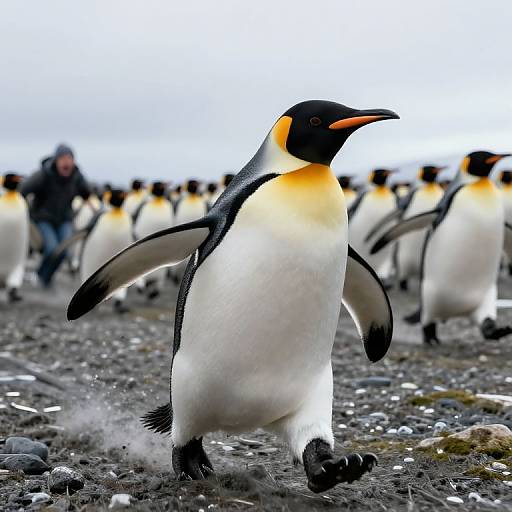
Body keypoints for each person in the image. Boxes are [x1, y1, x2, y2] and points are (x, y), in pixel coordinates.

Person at [21, 144, 90, 287]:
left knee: (63, 251)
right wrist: (24, 210)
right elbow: (24, 189)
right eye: (63, 158)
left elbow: (86, 193)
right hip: (43, 219)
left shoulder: (76, 176)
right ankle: (41, 277)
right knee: (51, 249)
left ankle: (45, 279)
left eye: (70, 158)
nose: (67, 162)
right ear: (56, 160)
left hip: (64, 219)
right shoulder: (44, 174)